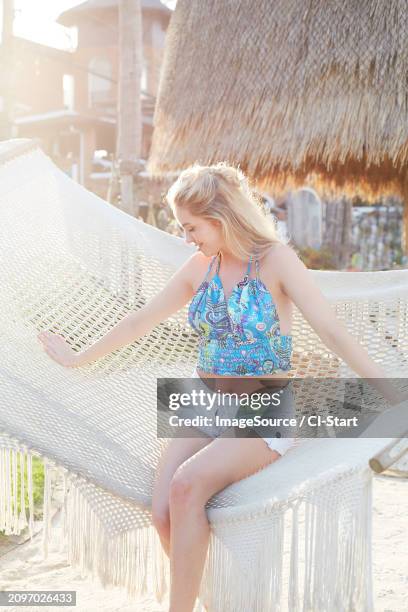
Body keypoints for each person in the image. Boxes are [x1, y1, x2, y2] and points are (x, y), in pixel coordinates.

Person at [38, 162, 404, 612]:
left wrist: (392, 394)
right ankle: (214, 602)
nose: (187, 237)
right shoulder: (199, 267)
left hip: (264, 406)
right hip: (199, 401)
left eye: (192, 227)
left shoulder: (276, 260)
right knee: (161, 512)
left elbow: (332, 331)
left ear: (221, 215)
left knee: (187, 486)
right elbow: (140, 320)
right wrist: (78, 356)